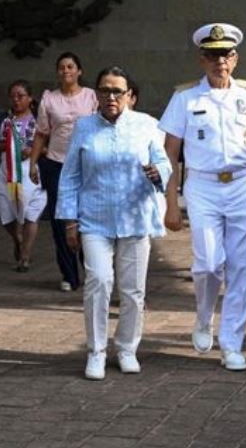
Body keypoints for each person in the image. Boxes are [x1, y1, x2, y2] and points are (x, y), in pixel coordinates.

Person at [159, 23, 246, 372]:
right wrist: (171, 203)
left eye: (226, 55)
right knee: (208, 263)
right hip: (203, 186)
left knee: (241, 267)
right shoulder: (185, 98)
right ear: (202, 59)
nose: (220, 62)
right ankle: (203, 318)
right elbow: (171, 153)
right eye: (213, 56)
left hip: (244, 183)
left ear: (235, 58)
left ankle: (232, 343)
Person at [57, 67, 170, 380]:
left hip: (134, 218)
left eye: (117, 91)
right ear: (96, 94)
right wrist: (69, 222)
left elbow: (164, 162)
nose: (111, 97)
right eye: (104, 90)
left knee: (133, 290)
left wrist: (158, 173)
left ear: (129, 96)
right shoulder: (84, 127)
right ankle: (96, 351)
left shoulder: (147, 125)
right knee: (99, 281)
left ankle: (127, 348)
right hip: (95, 219)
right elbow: (70, 176)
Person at [29, 51, 98, 291]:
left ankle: (90, 268)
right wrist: (33, 163)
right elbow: (41, 133)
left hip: (87, 162)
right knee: (61, 218)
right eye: (62, 67)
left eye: (71, 67)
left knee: (86, 215)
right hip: (57, 163)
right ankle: (69, 274)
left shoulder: (91, 97)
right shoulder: (49, 99)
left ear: (79, 71)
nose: (66, 71)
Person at [0, 80, 46, 272]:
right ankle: (17, 238)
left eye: (20, 96)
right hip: (8, 172)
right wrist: (9, 147)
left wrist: (33, 151)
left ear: (30, 99)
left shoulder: (39, 120)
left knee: (31, 213)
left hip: (32, 170)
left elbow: (51, 148)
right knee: (6, 212)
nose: (16, 100)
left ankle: (25, 258)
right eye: (12, 96)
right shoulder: (4, 119)